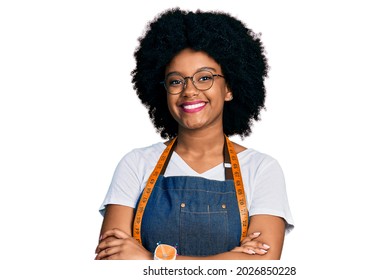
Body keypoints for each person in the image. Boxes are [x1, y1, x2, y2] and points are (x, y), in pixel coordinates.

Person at [95, 7, 294, 260]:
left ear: (229, 88)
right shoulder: (135, 164)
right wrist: (229, 260)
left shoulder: (261, 169)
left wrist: (150, 259)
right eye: (176, 81)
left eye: (204, 78)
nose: (189, 90)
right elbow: (112, 261)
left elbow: (260, 267)